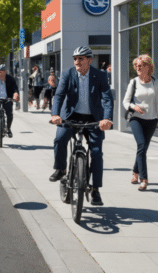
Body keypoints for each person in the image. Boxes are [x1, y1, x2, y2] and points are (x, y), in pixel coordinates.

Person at [49, 46, 113, 206]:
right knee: (60, 139)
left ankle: (96, 190)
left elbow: (107, 98)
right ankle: (61, 169)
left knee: (97, 153)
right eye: (75, 58)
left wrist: (107, 118)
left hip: (94, 119)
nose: (77, 61)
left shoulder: (100, 75)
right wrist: (55, 114)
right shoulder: (67, 74)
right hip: (71, 116)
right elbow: (59, 95)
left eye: (81, 58)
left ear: (89, 60)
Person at [123, 55, 158, 191]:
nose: (138, 68)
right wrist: (134, 107)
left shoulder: (156, 83)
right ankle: (144, 179)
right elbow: (125, 101)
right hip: (136, 119)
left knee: (142, 149)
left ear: (148, 66)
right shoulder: (134, 82)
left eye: (141, 65)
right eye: (136, 66)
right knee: (141, 145)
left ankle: (135, 172)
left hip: (151, 120)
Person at [0, 64, 20, 138]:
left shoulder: (10, 79)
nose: (1, 73)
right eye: (0, 71)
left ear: (6, 71)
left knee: (9, 114)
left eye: (3, 71)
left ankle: (8, 129)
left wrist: (15, 93)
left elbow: (15, 88)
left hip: (7, 98)